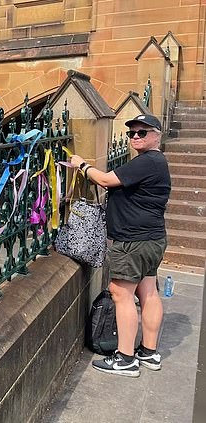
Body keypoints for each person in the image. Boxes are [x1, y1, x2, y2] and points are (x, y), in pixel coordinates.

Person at [69, 114, 171, 377]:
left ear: (157, 135)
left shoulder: (148, 162)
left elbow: (104, 180)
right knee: (147, 291)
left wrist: (82, 165)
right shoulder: (155, 162)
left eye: (142, 132)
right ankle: (149, 353)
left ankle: (125, 359)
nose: (136, 136)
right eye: (132, 133)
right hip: (152, 239)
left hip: (133, 241)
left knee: (120, 293)